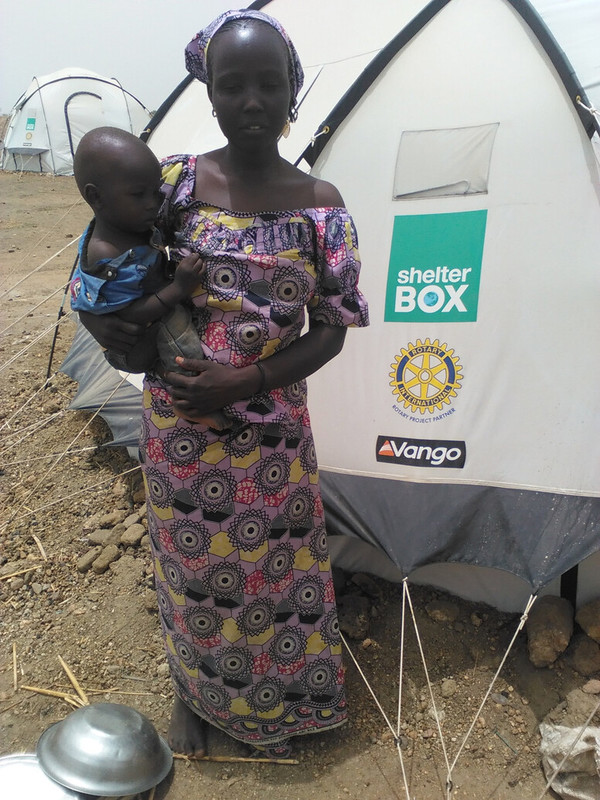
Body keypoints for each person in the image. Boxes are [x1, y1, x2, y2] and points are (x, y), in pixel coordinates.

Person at [80, 8, 369, 760]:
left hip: (271, 438)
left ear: (291, 90)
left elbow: (332, 329)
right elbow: (108, 261)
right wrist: (103, 328)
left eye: (267, 84)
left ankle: (278, 711)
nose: (250, 102)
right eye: (231, 84)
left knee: (276, 577)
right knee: (193, 576)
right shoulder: (173, 183)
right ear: (207, 91)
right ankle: (199, 697)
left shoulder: (322, 207)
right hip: (181, 433)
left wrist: (246, 377)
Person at [70, 127, 228, 429]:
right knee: (181, 341)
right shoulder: (110, 253)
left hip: (147, 314)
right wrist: (179, 289)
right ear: (95, 197)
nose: (152, 204)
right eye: (138, 195)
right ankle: (190, 401)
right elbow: (130, 313)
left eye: (156, 193)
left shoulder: (126, 225)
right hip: (133, 342)